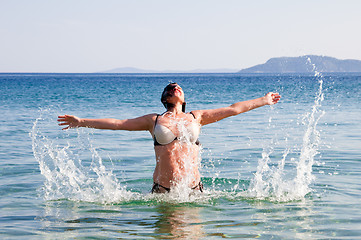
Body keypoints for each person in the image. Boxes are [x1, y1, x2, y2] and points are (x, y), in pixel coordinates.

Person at [58, 83, 280, 193]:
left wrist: (264, 100)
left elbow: (233, 109)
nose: (175, 88)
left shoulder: (197, 117)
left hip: (194, 191)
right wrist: (82, 121)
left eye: (179, 88)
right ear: (165, 98)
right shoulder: (153, 120)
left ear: (183, 99)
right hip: (163, 192)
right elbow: (118, 124)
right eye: (170, 88)